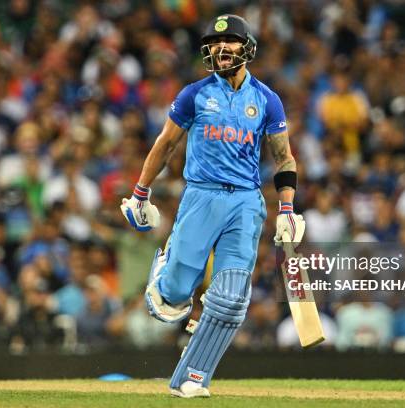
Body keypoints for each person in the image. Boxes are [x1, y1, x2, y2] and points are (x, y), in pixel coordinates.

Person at [120, 14, 305, 398]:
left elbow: (283, 159)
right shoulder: (195, 94)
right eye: (214, 45)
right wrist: (141, 192)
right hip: (201, 195)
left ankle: (194, 377)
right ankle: (166, 271)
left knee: (233, 298)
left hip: (245, 201)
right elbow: (165, 144)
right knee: (170, 301)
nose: (221, 49)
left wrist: (287, 208)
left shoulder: (267, 100)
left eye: (231, 42)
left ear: (248, 48)